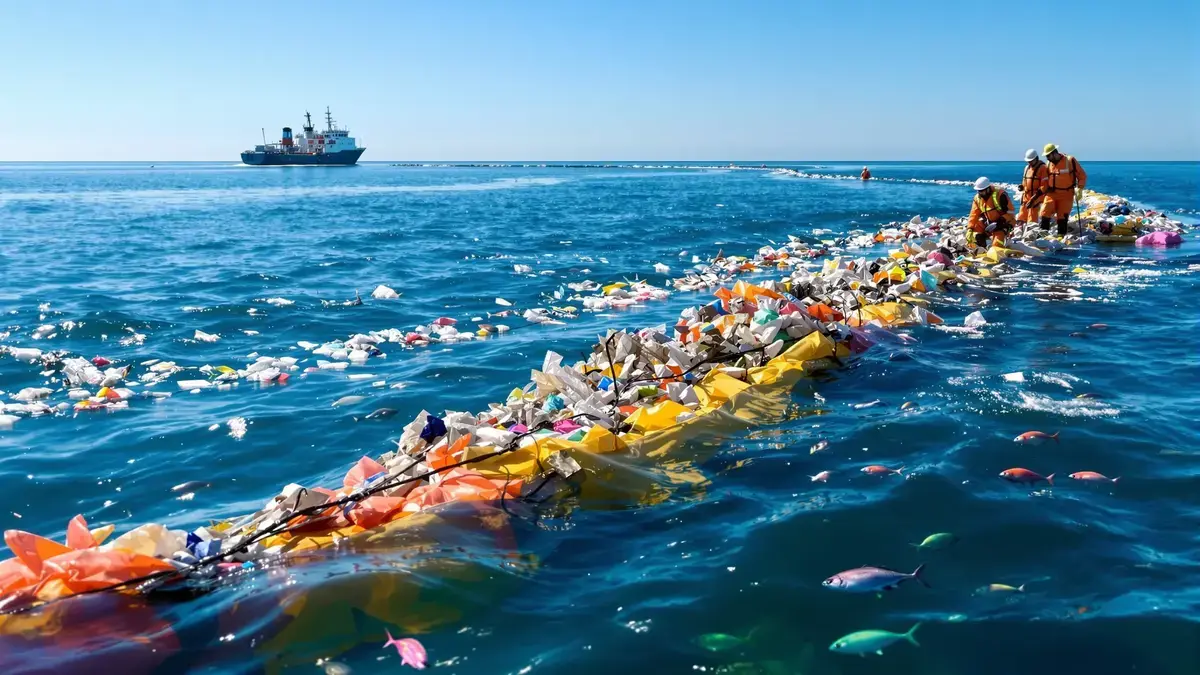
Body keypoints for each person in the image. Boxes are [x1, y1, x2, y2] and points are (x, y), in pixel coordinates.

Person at [1038, 143, 1087, 235]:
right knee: (1045, 212)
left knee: (1062, 217)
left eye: (1048, 155)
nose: (1047, 158)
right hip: (1051, 194)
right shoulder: (1049, 164)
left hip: (1066, 194)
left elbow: (1082, 176)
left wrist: (1079, 189)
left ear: (1054, 153)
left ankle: (1061, 237)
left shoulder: (1070, 161)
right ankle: (1043, 236)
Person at [968, 177, 1014, 248]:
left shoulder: (1001, 195)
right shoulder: (977, 198)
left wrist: (1000, 222)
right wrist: (970, 228)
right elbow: (974, 214)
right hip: (989, 223)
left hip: (1003, 223)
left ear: (988, 189)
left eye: (982, 191)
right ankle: (980, 247)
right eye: (979, 191)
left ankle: (997, 247)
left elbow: (1010, 213)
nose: (980, 193)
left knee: (997, 243)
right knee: (975, 230)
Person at [1016, 148, 1048, 227]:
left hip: (1036, 199)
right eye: (1028, 161)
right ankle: (1019, 234)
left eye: (1031, 161)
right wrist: (1022, 187)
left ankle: (1031, 236)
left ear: (1036, 158)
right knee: (1021, 218)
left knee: (1032, 220)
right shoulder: (1027, 168)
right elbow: (1025, 182)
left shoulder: (1043, 168)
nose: (1029, 162)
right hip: (1026, 197)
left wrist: (1033, 199)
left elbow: (1044, 186)